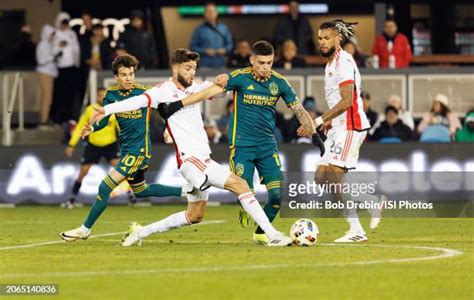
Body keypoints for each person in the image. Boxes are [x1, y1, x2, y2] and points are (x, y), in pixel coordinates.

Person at [90, 48, 294, 247]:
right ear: (175, 68)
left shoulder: (196, 87)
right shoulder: (162, 91)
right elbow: (136, 102)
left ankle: (141, 231)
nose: (192, 73)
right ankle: (272, 234)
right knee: (239, 185)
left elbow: (219, 89)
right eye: (187, 68)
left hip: (203, 157)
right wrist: (106, 109)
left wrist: (223, 78)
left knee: (195, 216)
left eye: (194, 68)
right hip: (190, 159)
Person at [156, 42, 323, 245]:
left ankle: (261, 232)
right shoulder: (239, 77)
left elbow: (298, 109)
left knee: (278, 197)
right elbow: (209, 91)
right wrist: (178, 105)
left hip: (267, 147)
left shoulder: (279, 83)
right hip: (242, 147)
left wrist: (314, 133)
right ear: (252, 60)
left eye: (269, 63)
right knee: (244, 192)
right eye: (261, 62)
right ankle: (252, 215)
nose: (265, 67)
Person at [60, 54, 184, 241]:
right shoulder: (111, 95)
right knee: (141, 191)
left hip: (140, 150)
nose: (129, 78)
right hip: (126, 149)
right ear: (116, 77)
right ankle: (187, 190)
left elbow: (166, 110)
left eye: (131, 74)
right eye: (124, 75)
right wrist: (93, 128)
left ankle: (85, 229)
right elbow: (105, 120)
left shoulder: (145, 93)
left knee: (105, 186)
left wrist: (169, 129)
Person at [298, 20, 385, 242]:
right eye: (320, 38)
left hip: (351, 125)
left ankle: (356, 230)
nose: (322, 42)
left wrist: (317, 121)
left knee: (336, 179)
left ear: (338, 39)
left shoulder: (343, 61)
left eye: (327, 38)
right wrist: (327, 122)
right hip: (338, 127)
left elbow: (347, 101)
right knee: (321, 178)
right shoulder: (330, 65)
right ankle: (370, 201)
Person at [61, 87, 133, 208]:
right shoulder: (90, 110)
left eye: (104, 95)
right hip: (93, 146)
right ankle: (72, 199)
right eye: (99, 95)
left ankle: (131, 197)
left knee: (121, 171)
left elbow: (121, 128)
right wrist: (71, 144)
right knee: (83, 172)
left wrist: (128, 143)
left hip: (110, 145)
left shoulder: (113, 109)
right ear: (96, 96)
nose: (102, 97)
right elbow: (80, 127)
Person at [50, 12, 81, 124]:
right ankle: (58, 118)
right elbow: (52, 51)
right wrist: (59, 47)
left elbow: (76, 50)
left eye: (66, 23)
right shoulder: (55, 34)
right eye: (62, 23)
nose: (64, 25)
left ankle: (70, 117)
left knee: (70, 94)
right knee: (60, 94)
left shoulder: (72, 34)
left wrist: (77, 64)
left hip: (71, 68)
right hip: (60, 69)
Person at [189, 3, 233, 68]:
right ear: (204, 14)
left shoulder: (224, 28)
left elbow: (230, 44)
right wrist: (205, 51)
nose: (210, 14)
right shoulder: (199, 29)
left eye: (212, 11)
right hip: (205, 66)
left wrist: (225, 50)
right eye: (208, 11)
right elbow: (192, 47)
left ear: (216, 13)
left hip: (222, 65)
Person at [36, 24, 58, 129]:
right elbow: (41, 60)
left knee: (49, 98)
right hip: (45, 73)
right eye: (51, 34)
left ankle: (46, 119)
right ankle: (43, 121)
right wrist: (54, 56)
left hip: (50, 73)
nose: (52, 36)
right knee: (46, 98)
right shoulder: (42, 45)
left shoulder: (49, 45)